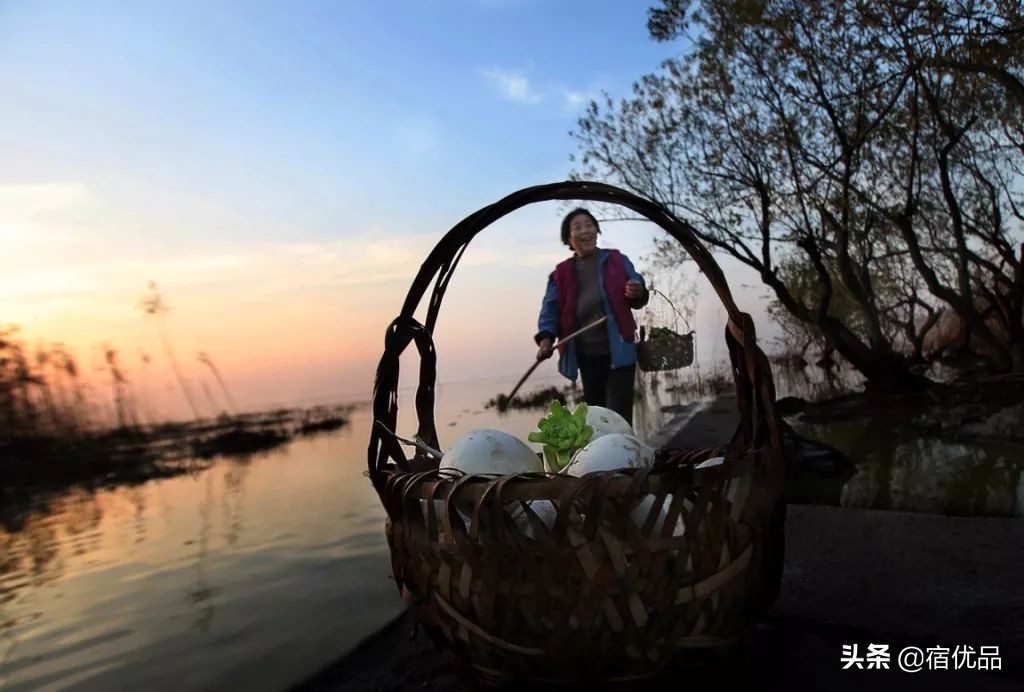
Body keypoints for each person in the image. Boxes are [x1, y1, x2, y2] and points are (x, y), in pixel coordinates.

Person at [535, 208, 649, 425]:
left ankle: (626, 457)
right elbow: (549, 309)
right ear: (569, 239)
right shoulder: (560, 274)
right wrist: (546, 340)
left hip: (620, 353)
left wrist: (637, 290)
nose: (585, 230)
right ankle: (603, 458)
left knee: (618, 418)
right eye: (577, 227)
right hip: (587, 358)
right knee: (597, 419)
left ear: (597, 231)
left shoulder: (617, 260)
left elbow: (637, 288)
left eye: (589, 225)